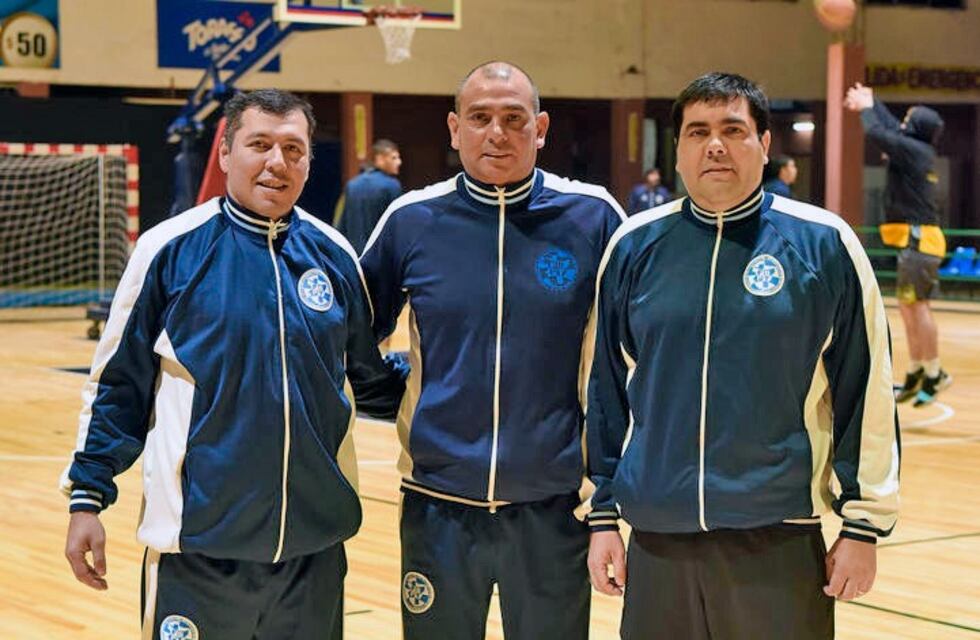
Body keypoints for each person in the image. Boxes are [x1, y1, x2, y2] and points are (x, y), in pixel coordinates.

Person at [61, 89, 406, 640]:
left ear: (310, 161)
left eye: (294, 149)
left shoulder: (334, 255)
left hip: (313, 554)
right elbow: (118, 387)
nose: (277, 162)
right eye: (260, 144)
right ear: (225, 153)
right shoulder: (168, 250)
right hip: (198, 551)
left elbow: (372, 380)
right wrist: (87, 497)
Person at [586, 72, 899, 640]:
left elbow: (866, 387)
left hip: (776, 536)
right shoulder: (633, 246)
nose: (715, 145)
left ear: (765, 144)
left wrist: (863, 525)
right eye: (697, 131)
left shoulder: (824, 244)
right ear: (677, 148)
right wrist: (603, 514)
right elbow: (604, 392)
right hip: (659, 539)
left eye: (734, 129)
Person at [360, 61, 625, 640]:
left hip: (554, 507)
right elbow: (352, 339)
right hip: (438, 506)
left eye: (513, 118)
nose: (497, 133)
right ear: (455, 128)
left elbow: (630, 357)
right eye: (480, 118)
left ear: (542, 127)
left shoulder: (594, 216)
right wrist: (408, 400)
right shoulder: (411, 221)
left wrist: (608, 488)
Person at [844, 83, 950, 407]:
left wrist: (866, 107)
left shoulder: (913, 151)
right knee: (908, 308)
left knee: (918, 307)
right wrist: (872, 99)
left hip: (920, 240)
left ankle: (935, 372)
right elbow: (889, 126)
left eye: (908, 119)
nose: (901, 123)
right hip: (916, 240)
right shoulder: (915, 148)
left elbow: (878, 131)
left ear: (915, 127)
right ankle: (918, 369)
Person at [336, 138, 403, 254]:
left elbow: (341, 224)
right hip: (378, 256)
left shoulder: (351, 185)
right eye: (394, 157)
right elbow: (397, 226)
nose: (399, 162)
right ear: (379, 159)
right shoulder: (392, 186)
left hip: (353, 254)